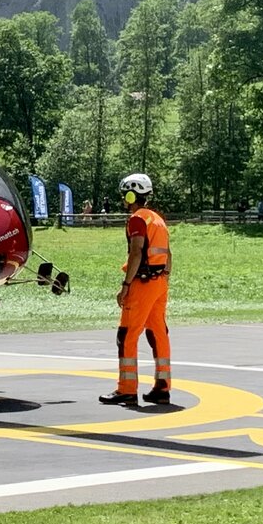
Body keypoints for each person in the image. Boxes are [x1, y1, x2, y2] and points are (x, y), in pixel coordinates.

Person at [99, 172, 172, 407]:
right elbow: (168, 254)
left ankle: (127, 389)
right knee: (158, 333)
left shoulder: (138, 219)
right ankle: (162, 387)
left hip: (142, 283)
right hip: (160, 282)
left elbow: (136, 252)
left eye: (125, 195)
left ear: (132, 195)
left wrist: (126, 285)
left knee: (127, 335)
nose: (124, 200)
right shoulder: (157, 219)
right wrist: (164, 279)